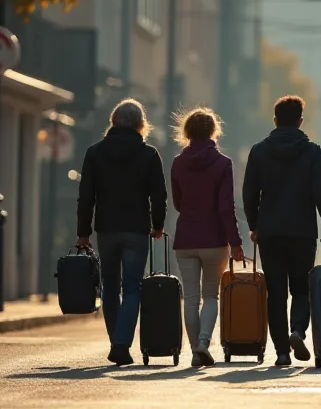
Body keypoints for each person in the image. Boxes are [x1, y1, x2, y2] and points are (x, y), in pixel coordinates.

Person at [242, 95, 321, 367]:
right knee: (301, 288)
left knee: (276, 292)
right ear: (300, 121)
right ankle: (297, 330)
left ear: (275, 120)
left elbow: (249, 194)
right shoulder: (312, 152)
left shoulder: (259, 152)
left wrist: (254, 226)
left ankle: (282, 352)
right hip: (302, 232)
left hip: (270, 233)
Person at [76, 98, 167, 366]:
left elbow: (86, 197)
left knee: (110, 286)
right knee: (132, 288)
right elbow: (158, 196)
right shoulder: (149, 154)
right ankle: (121, 343)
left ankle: (116, 340)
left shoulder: (95, 153)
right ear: (141, 124)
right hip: (137, 229)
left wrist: (83, 233)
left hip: (106, 229)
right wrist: (158, 225)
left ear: (113, 121)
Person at [169, 107, 245, 367]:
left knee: (191, 298)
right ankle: (203, 341)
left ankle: (194, 351)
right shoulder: (223, 163)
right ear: (214, 130)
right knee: (211, 295)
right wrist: (235, 242)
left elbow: (177, 203)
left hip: (185, 240)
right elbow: (226, 208)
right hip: (214, 240)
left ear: (187, 131)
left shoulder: (178, 163)